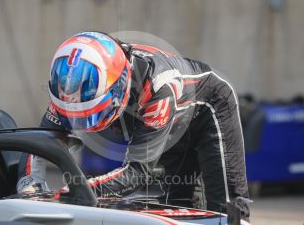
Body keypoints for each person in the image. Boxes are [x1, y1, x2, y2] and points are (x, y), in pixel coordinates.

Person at [17, 31, 250, 219]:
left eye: (94, 113)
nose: (85, 123)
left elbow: (138, 172)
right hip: (165, 119)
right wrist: (30, 185)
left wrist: (77, 189)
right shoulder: (71, 87)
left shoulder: (158, 88)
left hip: (210, 107)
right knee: (176, 207)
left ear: (119, 86)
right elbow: (41, 142)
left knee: (225, 210)